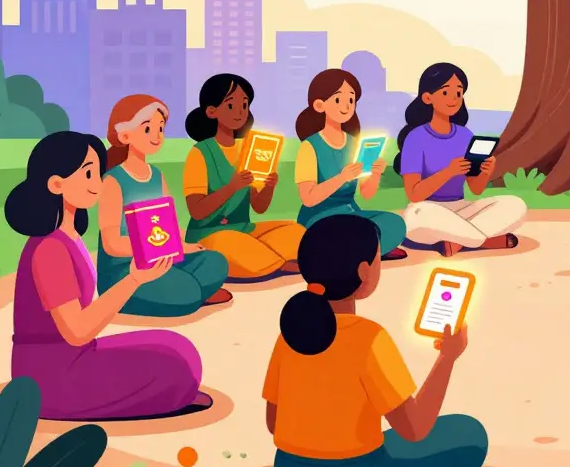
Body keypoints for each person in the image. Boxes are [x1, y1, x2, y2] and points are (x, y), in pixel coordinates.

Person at [263, 214, 495, 467]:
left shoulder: (289, 333)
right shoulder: (369, 338)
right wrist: (448, 356)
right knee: (469, 434)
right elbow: (415, 429)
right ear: (364, 271)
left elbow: (273, 423)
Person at [7, 131, 209, 420]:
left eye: (98, 174)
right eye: (88, 174)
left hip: (72, 357)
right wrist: (133, 280)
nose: (97, 184)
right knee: (175, 365)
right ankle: (168, 393)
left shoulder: (68, 236)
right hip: (51, 378)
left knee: (178, 348)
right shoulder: (49, 248)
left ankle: (169, 390)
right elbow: (77, 331)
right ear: (56, 183)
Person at [97, 94, 232, 316]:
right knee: (186, 290)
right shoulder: (113, 181)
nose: (157, 135)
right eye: (148, 128)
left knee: (215, 262)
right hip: (126, 271)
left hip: (163, 260)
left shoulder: (157, 175)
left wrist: (181, 246)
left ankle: (190, 291)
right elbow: (112, 245)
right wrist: (162, 248)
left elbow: (168, 226)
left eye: (161, 128)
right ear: (125, 135)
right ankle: (192, 293)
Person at [182, 74, 306, 279]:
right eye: (231, 106)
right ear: (212, 111)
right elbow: (197, 211)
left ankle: (267, 259)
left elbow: (258, 207)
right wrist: (231, 187)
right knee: (228, 245)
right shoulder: (200, 153)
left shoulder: (248, 150)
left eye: (245, 105)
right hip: (209, 233)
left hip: (244, 229)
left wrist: (269, 187)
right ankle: (276, 262)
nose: (240, 112)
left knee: (295, 231)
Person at [397, 63, 526, 257]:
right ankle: (484, 242)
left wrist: (485, 172)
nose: (454, 99)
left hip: (461, 209)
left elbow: (475, 189)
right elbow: (414, 194)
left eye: (458, 93)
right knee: (417, 217)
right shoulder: (415, 138)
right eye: (445, 92)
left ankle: (459, 241)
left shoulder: (465, 135)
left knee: (515, 205)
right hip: (428, 208)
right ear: (427, 97)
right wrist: (449, 172)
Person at [295, 68, 408, 260]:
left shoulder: (354, 143)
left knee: (395, 223)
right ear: (320, 105)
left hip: (352, 214)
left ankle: (356, 251)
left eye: (351, 100)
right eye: (338, 99)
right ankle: (368, 250)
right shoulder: (309, 146)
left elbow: (366, 193)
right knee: (347, 233)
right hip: (319, 218)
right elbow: (309, 199)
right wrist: (342, 178)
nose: (346, 106)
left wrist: (375, 174)